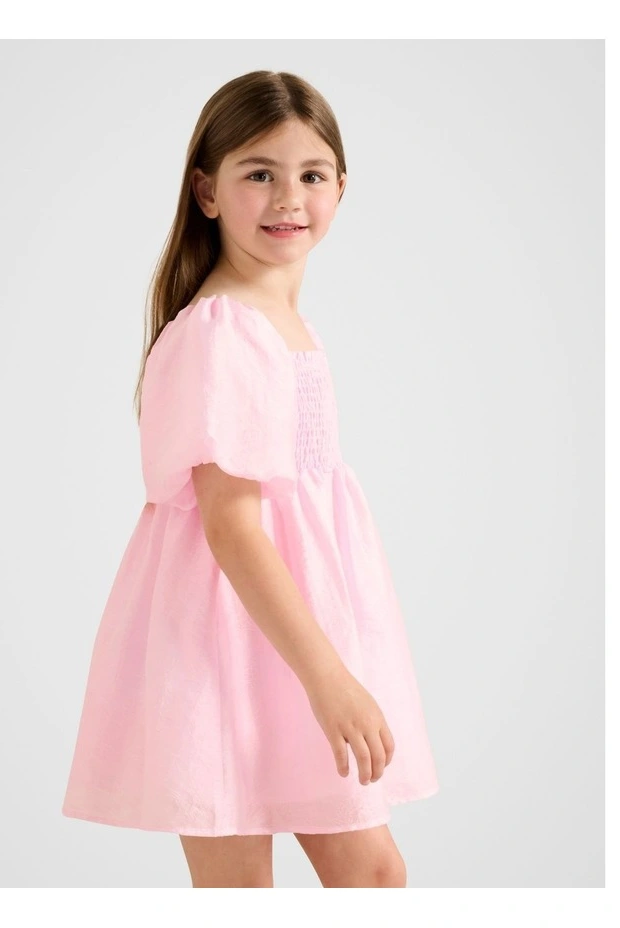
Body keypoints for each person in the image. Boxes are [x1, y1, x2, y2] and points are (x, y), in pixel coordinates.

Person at [61, 69, 439, 889]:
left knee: (373, 875)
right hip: (230, 646)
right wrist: (328, 677)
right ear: (207, 191)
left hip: (291, 635)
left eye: (311, 174)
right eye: (259, 173)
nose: (288, 198)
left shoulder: (289, 325)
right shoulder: (221, 331)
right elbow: (232, 527)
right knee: (246, 889)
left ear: (342, 188)